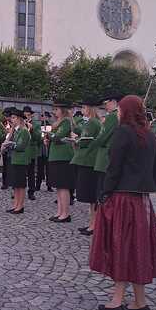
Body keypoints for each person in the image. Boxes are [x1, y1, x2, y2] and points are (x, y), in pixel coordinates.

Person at [90, 95, 156, 310]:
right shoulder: (149, 135)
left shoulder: (123, 132)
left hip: (122, 198)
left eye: (120, 109)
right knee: (136, 249)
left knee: (120, 247)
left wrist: (105, 193)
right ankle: (140, 302)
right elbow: (154, 167)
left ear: (126, 111)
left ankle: (118, 301)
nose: (118, 113)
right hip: (142, 201)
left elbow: (114, 167)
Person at [70, 100, 102, 236]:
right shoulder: (89, 122)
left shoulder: (93, 122)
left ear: (90, 108)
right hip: (88, 160)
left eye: (84, 107)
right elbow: (81, 133)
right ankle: (91, 224)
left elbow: (85, 140)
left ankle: (94, 225)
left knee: (92, 195)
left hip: (89, 161)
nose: (82, 109)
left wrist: (75, 140)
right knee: (90, 197)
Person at [46, 100, 75, 223]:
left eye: (56, 109)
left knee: (63, 186)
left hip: (63, 157)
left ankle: (65, 214)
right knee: (58, 186)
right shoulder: (57, 122)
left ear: (63, 110)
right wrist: (49, 137)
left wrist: (49, 135)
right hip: (56, 156)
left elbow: (58, 136)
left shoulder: (66, 121)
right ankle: (60, 212)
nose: (54, 112)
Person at [90, 94, 121, 202]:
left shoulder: (112, 116)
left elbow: (102, 137)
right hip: (110, 155)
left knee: (102, 191)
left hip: (105, 156)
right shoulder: (116, 115)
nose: (105, 105)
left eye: (106, 102)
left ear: (114, 101)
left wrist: (91, 144)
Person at [5, 109, 31, 214]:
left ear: (19, 119)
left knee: (20, 185)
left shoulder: (24, 131)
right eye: (12, 117)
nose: (12, 120)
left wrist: (9, 144)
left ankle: (20, 206)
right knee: (15, 185)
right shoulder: (17, 131)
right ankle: (15, 205)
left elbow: (20, 146)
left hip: (21, 160)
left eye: (14, 118)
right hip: (15, 159)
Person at [23, 106, 41, 201]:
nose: (26, 117)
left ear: (31, 115)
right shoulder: (20, 124)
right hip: (22, 151)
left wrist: (32, 129)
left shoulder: (36, 124)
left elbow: (38, 138)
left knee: (31, 173)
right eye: (24, 115)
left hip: (31, 151)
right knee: (20, 172)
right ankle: (18, 190)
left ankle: (31, 192)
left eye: (28, 115)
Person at [36, 111, 52, 192]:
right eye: (43, 116)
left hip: (48, 150)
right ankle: (37, 185)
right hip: (41, 150)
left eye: (46, 117)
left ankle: (49, 186)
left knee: (49, 170)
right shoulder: (38, 126)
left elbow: (52, 136)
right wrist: (42, 136)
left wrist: (48, 136)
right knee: (40, 169)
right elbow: (38, 137)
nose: (45, 118)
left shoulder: (50, 126)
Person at [0, 107, 14, 190]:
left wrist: (10, 131)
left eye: (7, 116)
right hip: (5, 145)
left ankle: (11, 182)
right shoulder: (5, 123)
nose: (6, 118)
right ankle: (4, 183)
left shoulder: (13, 123)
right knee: (4, 166)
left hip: (11, 146)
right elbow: (2, 134)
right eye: (5, 116)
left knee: (10, 166)